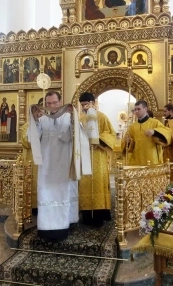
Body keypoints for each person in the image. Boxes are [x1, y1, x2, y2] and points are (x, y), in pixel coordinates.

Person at [27, 91, 78, 241]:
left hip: (63, 163)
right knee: (45, 192)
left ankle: (64, 225)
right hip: (47, 165)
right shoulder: (42, 119)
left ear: (60, 102)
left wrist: (74, 120)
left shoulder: (68, 116)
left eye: (54, 103)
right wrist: (35, 121)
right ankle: (46, 228)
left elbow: (74, 137)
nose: (51, 106)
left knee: (63, 191)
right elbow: (32, 138)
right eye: (48, 104)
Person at [78, 92, 116, 227]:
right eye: (82, 105)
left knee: (99, 183)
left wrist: (98, 140)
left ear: (93, 103)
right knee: (85, 184)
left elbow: (111, 134)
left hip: (99, 156)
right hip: (85, 156)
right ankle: (87, 215)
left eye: (86, 105)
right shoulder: (81, 119)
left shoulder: (102, 117)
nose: (84, 108)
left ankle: (101, 214)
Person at [121, 100, 172, 165]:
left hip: (151, 159)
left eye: (139, 109)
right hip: (137, 159)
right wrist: (128, 142)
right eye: (135, 109)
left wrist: (155, 132)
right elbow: (127, 146)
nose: (136, 111)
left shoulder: (154, 122)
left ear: (145, 109)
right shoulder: (132, 126)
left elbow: (167, 133)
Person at [21, 105, 44, 214]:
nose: (38, 114)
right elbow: (26, 142)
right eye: (36, 111)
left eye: (40, 111)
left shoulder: (44, 125)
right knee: (32, 181)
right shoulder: (26, 126)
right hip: (31, 158)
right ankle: (32, 206)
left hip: (43, 159)